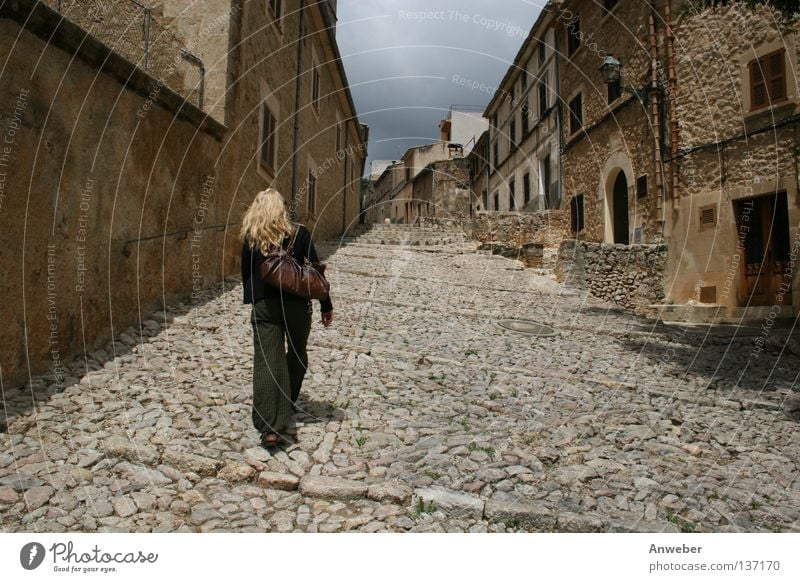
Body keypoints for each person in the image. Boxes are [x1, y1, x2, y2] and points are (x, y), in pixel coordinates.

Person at [240, 189, 333, 447]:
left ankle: (271, 426)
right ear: (281, 208)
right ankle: (286, 402)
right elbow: (315, 272)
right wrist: (326, 304)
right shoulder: (299, 233)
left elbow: (246, 275)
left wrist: (254, 300)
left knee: (268, 361)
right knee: (297, 354)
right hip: (297, 307)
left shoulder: (252, 236)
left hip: (266, 307)